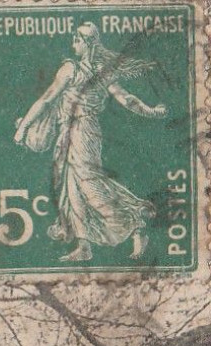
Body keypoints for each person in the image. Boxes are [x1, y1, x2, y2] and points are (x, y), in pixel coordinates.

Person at [14, 22, 168, 262]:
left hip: (82, 131)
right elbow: (126, 99)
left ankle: (135, 224)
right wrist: (151, 111)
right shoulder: (101, 71)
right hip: (72, 130)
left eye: (78, 38)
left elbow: (45, 100)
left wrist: (23, 127)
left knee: (88, 185)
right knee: (70, 185)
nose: (73, 41)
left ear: (88, 44)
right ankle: (84, 245)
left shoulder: (71, 69)